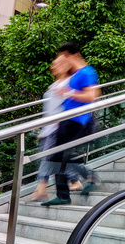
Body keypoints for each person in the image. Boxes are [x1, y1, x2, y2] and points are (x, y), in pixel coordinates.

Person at [41, 42, 102, 207]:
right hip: (67, 121)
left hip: (76, 121)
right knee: (60, 157)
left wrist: (67, 92)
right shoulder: (75, 75)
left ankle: (67, 193)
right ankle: (85, 181)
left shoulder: (87, 72)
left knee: (58, 157)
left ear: (72, 55)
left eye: (63, 58)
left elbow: (92, 95)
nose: (61, 62)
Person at [29, 59, 85, 202]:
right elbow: (48, 111)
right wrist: (43, 129)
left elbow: (69, 106)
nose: (53, 66)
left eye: (58, 64)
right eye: (53, 64)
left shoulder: (69, 84)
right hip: (48, 129)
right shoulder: (53, 85)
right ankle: (74, 180)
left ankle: (42, 188)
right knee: (52, 160)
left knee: (49, 159)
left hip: (58, 128)